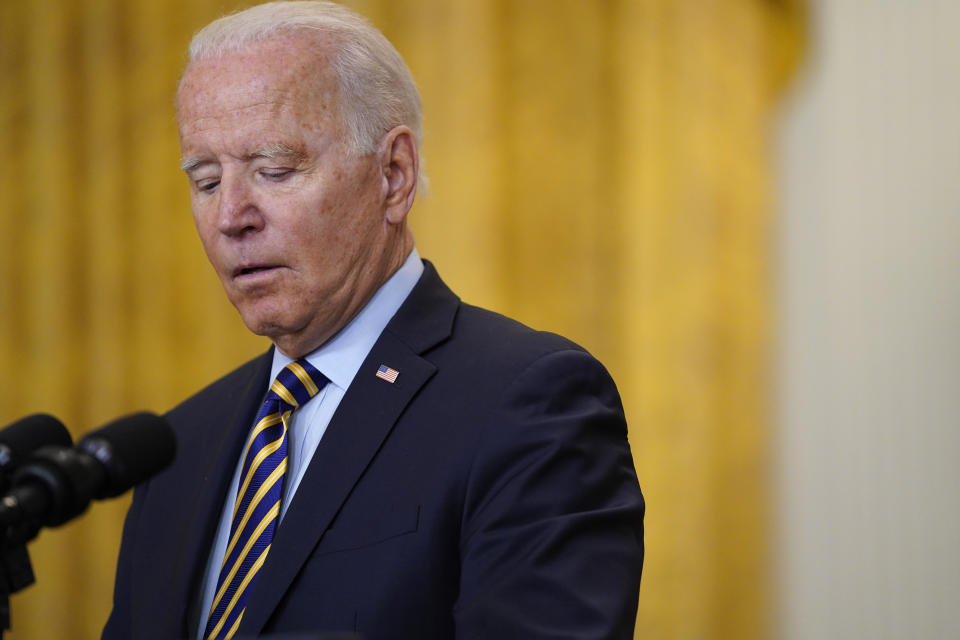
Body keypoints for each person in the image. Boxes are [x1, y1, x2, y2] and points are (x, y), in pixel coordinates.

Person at [103, 2, 644, 639]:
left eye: (273, 170)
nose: (231, 216)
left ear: (393, 175)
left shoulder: (528, 403)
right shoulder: (175, 446)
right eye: (205, 180)